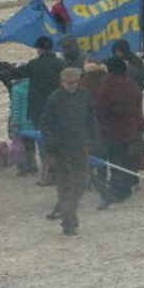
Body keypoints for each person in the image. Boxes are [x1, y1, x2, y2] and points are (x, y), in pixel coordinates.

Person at [0, 36, 65, 182]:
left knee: (43, 144)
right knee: (57, 142)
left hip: (40, 110)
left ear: (39, 49)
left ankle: (48, 175)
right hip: (59, 109)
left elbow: (15, 73)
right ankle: (59, 172)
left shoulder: (33, 65)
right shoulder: (61, 64)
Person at [40, 67, 95, 235]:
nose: (72, 86)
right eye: (68, 83)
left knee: (82, 182)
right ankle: (68, 221)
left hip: (80, 146)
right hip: (61, 149)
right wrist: (51, 147)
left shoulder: (85, 96)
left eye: (75, 82)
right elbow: (46, 125)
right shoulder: (54, 99)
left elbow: (91, 119)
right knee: (65, 186)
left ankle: (68, 211)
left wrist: (92, 139)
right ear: (62, 83)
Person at [93, 57, 144, 209]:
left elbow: (100, 106)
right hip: (132, 127)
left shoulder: (108, 84)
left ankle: (119, 190)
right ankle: (128, 185)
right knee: (128, 160)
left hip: (114, 130)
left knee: (116, 161)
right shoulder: (131, 83)